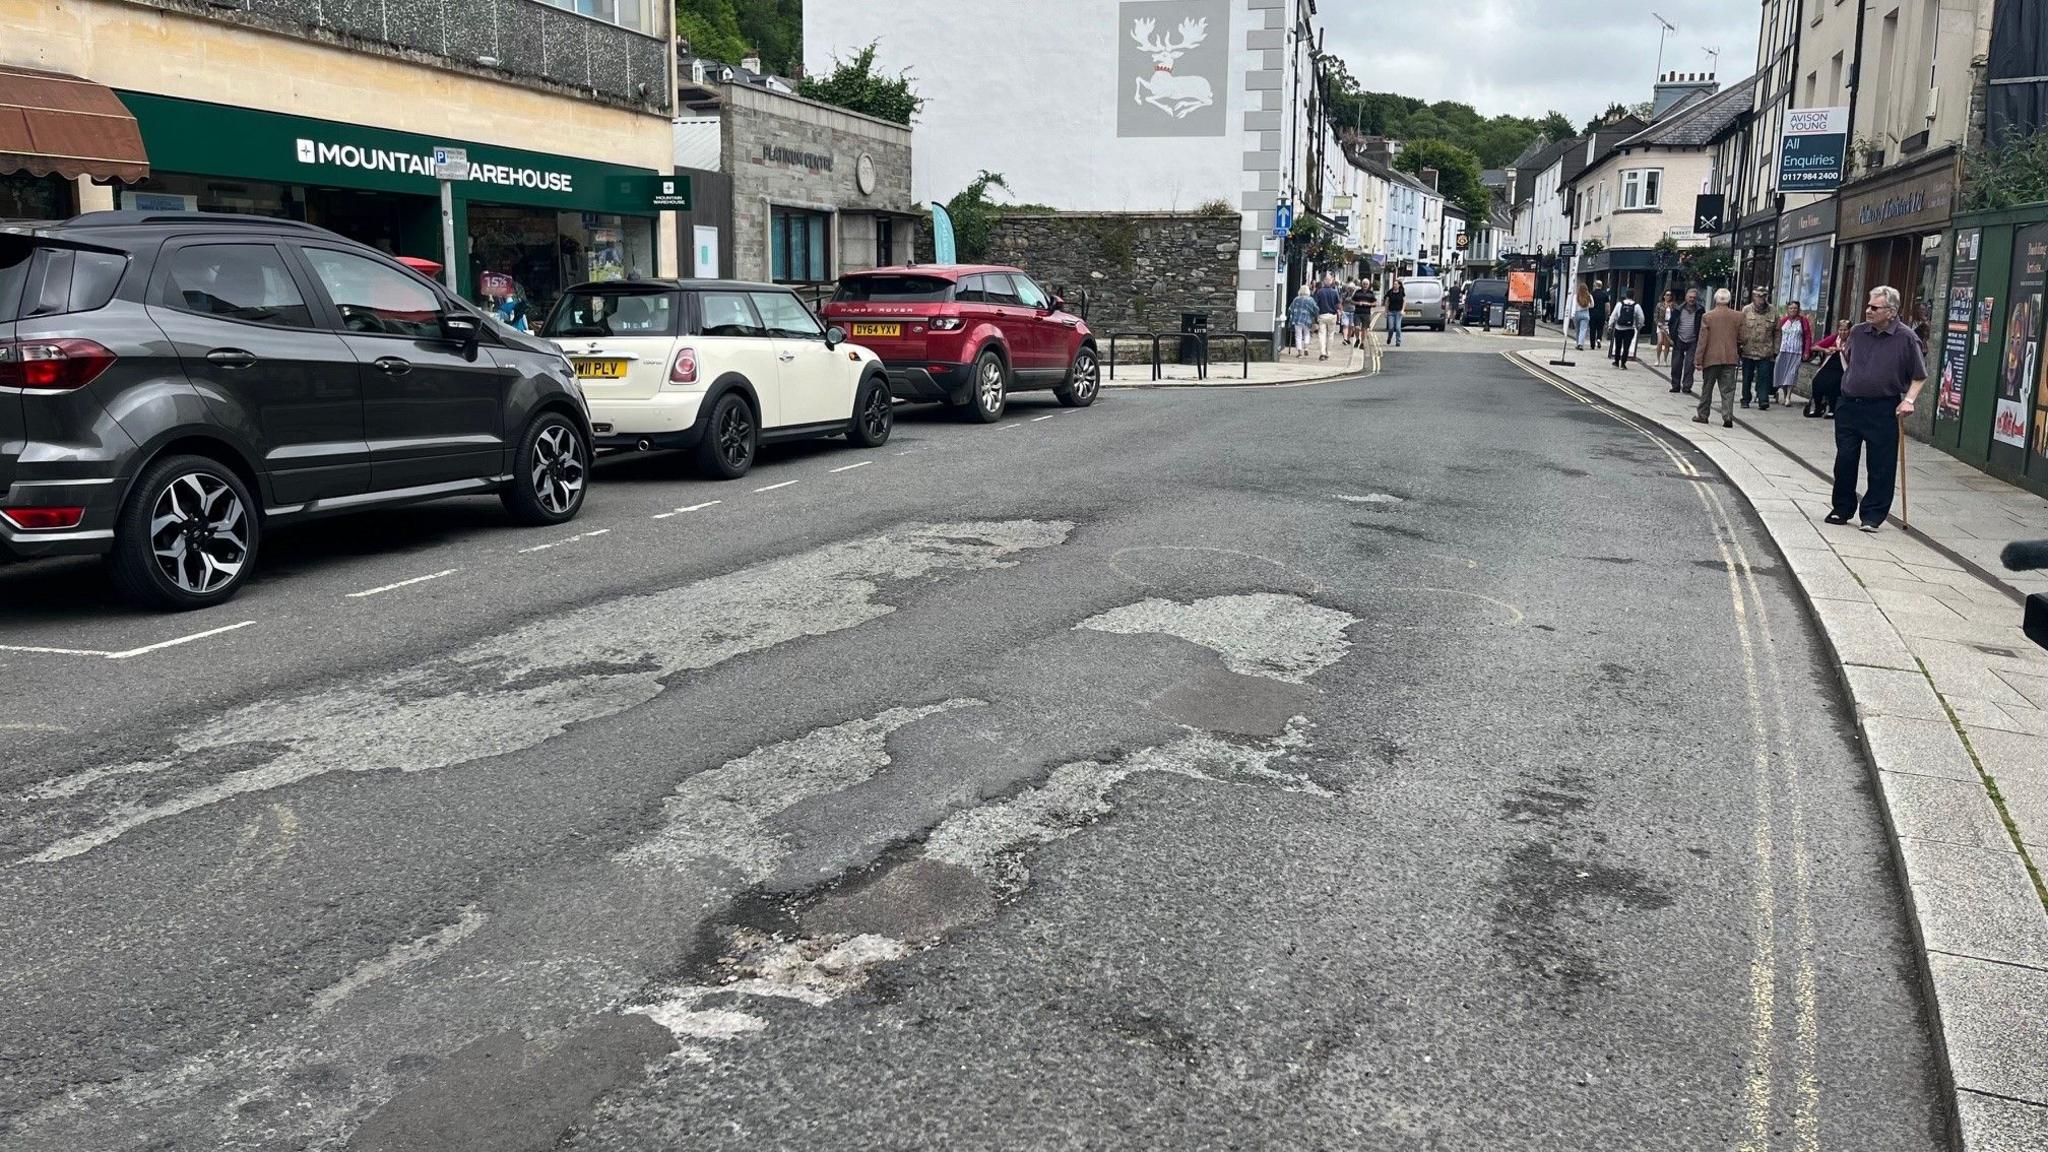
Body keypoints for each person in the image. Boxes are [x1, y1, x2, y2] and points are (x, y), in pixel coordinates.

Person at [1828, 286, 1927, 532]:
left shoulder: (1906, 338)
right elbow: (1850, 359)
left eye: (1874, 307)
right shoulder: (1858, 332)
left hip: (1883, 408)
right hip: (1849, 405)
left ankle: (1872, 515)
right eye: (1868, 305)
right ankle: (1842, 508)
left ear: (1891, 312)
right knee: (1845, 459)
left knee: (1881, 464)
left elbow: (1919, 376)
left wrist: (1909, 401)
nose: (1868, 310)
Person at [1693, 288, 1743, 428]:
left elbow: (1702, 340)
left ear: (1715, 299)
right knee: (1728, 389)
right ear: (1729, 300)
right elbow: (1742, 337)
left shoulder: (1708, 317)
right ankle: (1727, 416)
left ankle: (1703, 415)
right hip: (1730, 358)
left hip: (1711, 358)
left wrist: (1698, 360)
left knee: (1707, 388)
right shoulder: (1738, 316)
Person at [1738, 286, 1778, 410]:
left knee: (1764, 377)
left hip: (1765, 351)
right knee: (1747, 377)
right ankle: (1745, 398)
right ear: (1754, 297)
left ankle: (1763, 399)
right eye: (1758, 296)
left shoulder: (1773, 311)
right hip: (1748, 350)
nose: (1761, 299)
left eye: (1763, 296)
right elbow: (1740, 328)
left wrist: (1776, 349)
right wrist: (1738, 344)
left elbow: (1777, 332)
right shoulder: (1746, 310)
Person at [1805, 319, 1851, 418]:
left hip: (1843, 367)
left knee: (1834, 383)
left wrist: (1839, 349)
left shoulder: (1852, 341)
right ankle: (1818, 408)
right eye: (1840, 330)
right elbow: (1814, 347)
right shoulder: (1835, 338)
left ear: (1850, 330)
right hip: (1829, 365)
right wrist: (1825, 349)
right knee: (1817, 382)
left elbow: (1853, 353)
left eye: (1845, 330)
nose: (1842, 332)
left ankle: (1832, 409)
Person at [1773, 300, 1814, 406]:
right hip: (1783, 350)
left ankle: (1788, 397)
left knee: (1791, 374)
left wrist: (1806, 351)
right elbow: (1777, 334)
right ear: (1788, 309)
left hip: (1796, 351)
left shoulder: (1803, 321)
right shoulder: (1784, 320)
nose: (1793, 310)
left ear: (1798, 309)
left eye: (1795, 308)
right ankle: (1785, 393)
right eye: (1791, 308)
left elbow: (1807, 336)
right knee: (1782, 374)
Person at [1667, 287, 1705, 394]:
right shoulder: (1678, 309)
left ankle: (1687, 386)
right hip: (1679, 339)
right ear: (1686, 297)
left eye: (1694, 297)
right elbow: (1671, 323)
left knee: (1689, 365)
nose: (1692, 299)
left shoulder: (1700, 310)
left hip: (1693, 340)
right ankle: (1675, 385)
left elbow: (1703, 325)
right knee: (1676, 364)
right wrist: (1673, 336)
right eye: (1690, 297)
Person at [1608, 291, 1644, 368]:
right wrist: (1638, 326)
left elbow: (1613, 315)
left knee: (1618, 345)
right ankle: (1623, 363)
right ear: (1633, 296)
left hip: (1619, 328)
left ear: (1626, 295)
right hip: (1630, 329)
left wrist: (1610, 325)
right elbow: (1641, 317)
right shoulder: (1636, 306)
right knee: (1626, 346)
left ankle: (1616, 361)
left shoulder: (1619, 304)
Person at [1313, 275, 1344, 360]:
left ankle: (1322, 352)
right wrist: (1340, 312)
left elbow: (1315, 304)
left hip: (1322, 315)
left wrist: (1316, 314)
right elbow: (1338, 304)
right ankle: (1328, 353)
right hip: (1332, 316)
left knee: (1322, 334)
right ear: (1331, 282)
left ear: (1324, 281)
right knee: (1330, 335)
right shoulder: (1334, 292)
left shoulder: (1319, 292)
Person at [1287, 284, 1317, 358]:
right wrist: (1315, 316)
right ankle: (1306, 348)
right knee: (1307, 334)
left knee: (1298, 335)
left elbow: (1290, 309)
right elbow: (1316, 309)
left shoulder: (1296, 299)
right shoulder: (1310, 300)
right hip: (1307, 319)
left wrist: (1290, 317)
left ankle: (1299, 352)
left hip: (1297, 319)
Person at [1654, 290, 1676, 366]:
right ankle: (1657, 359)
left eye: (1670, 295)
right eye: (1667, 295)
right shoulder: (1659, 305)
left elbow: (1676, 316)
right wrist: (1658, 323)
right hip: (1661, 324)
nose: (1668, 296)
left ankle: (1665, 360)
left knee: (1667, 344)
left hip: (1669, 325)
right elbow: (1655, 315)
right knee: (1660, 342)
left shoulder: (1674, 305)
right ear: (1664, 296)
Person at [1352, 279, 1376, 347]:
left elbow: (1374, 303)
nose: (1365, 285)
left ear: (1368, 285)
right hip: (1357, 312)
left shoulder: (1371, 293)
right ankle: (1357, 339)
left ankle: (1362, 342)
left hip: (1366, 313)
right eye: (1364, 284)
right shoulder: (1357, 292)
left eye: (1366, 284)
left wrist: (1368, 304)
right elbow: (1352, 301)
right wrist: (1358, 303)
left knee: (1364, 329)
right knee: (1356, 327)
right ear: (1362, 284)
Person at [1384, 279, 1407, 347]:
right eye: (1394, 284)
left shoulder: (1401, 292)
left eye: (1396, 284)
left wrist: (1402, 310)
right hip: (1391, 312)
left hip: (1398, 312)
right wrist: (1386, 312)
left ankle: (1398, 341)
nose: (1394, 285)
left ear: (1399, 285)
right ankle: (1389, 338)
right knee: (1391, 328)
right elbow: (1387, 302)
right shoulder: (1390, 292)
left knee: (1397, 327)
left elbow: (1405, 301)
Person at [1589, 280, 1610, 347]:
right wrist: (1607, 314)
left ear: (1595, 285)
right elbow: (1607, 306)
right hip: (1601, 314)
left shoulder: (1591, 294)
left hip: (1592, 314)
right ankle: (1598, 339)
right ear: (1601, 286)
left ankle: (1592, 344)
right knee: (1600, 328)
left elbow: (1588, 304)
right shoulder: (1605, 294)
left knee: (1592, 329)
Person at [1574, 283, 1593, 349]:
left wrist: (1572, 314)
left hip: (1577, 313)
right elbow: (1592, 305)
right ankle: (1580, 344)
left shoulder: (1576, 296)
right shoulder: (1589, 296)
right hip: (1585, 314)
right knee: (1583, 329)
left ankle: (1577, 344)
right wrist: (1587, 307)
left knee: (1577, 330)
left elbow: (1574, 306)